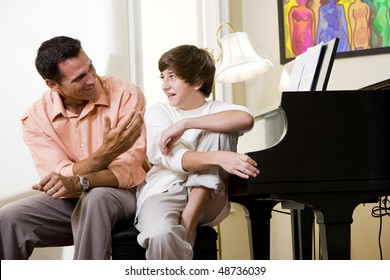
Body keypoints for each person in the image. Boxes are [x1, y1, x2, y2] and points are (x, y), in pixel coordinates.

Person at [0, 36, 147, 260]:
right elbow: (58, 178)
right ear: (53, 85)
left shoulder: (126, 95)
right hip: (71, 203)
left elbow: (129, 169)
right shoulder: (35, 119)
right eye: (79, 78)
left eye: (91, 68)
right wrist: (105, 154)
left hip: (125, 195)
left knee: (96, 197)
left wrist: (80, 180)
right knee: (8, 218)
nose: (92, 79)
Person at [134, 44, 260, 260]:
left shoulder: (219, 110)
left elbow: (246, 119)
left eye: (172, 77)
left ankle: (189, 222)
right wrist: (220, 158)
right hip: (164, 191)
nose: (165, 86)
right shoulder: (157, 112)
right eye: (162, 77)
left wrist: (186, 124)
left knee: (219, 129)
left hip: (207, 200)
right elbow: (174, 158)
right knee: (159, 234)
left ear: (197, 82)